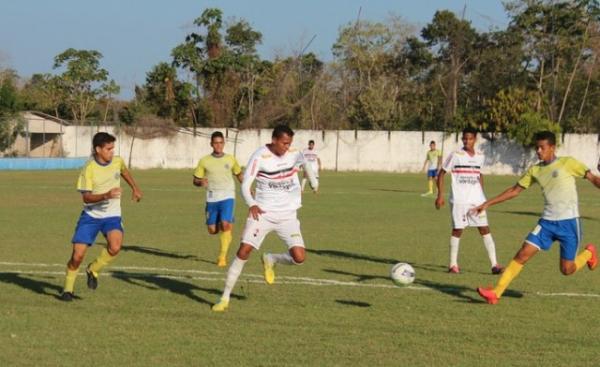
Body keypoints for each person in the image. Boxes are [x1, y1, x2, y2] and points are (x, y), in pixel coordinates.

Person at [475, 131, 599, 304]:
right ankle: (496, 292)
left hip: (569, 223)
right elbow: (514, 190)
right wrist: (488, 203)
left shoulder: (568, 163)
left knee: (567, 269)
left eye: (542, 147)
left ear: (552, 148)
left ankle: (589, 254)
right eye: (537, 148)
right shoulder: (535, 170)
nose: (538, 151)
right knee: (522, 254)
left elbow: (593, 179)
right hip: (546, 223)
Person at [212, 125, 319, 312]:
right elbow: (246, 184)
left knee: (299, 258)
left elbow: (306, 164)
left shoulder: (294, 153)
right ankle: (225, 297)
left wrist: (313, 182)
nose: (287, 147)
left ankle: (271, 259)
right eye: (285, 143)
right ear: (275, 140)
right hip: (263, 214)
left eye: (289, 143)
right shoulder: (260, 156)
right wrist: (252, 203)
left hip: (288, 216)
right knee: (243, 251)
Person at [60, 132, 143, 301]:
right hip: (91, 216)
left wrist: (135, 188)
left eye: (113, 148)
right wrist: (106, 195)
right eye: (108, 149)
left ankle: (93, 269)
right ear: (98, 149)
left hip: (112, 215)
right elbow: (86, 197)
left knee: (115, 247)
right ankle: (68, 290)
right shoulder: (88, 169)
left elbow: (124, 171)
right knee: (77, 256)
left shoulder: (117, 161)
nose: (112, 152)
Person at [435, 127, 503, 275]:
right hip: (459, 200)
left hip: (477, 201)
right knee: (458, 230)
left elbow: (480, 175)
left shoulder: (480, 156)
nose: (467, 141)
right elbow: (441, 174)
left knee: (484, 229)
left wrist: (482, 195)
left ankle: (495, 265)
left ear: (475, 139)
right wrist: (440, 195)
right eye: (464, 138)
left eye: (470, 138)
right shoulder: (456, 155)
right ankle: (453, 265)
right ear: (462, 139)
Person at [193, 131, 243, 267]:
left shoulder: (230, 159)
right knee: (212, 230)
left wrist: (246, 187)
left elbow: (239, 174)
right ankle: (227, 219)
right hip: (212, 197)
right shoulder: (204, 161)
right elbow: (195, 180)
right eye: (216, 143)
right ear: (211, 144)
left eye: (221, 142)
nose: (218, 145)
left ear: (224, 144)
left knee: (225, 225)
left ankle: (222, 256)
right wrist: (200, 182)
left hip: (228, 195)